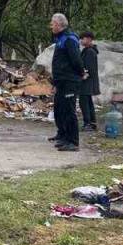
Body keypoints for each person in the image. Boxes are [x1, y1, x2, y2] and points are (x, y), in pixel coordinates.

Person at [48, 13, 84, 151]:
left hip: (70, 81)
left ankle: (73, 142)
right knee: (60, 109)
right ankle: (63, 136)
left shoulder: (69, 39)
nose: (51, 26)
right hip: (61, 81)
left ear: (58, 24)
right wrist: (55, 82)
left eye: (52, 23)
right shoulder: (60, 39)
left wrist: (81, 73)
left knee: (69, 111)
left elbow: (76, 60)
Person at [79, 31, 100, 131]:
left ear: (88, 39)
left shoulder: (90, 52)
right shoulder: (87, 50)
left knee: (84, 103)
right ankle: (92, 123)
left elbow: (90, 68)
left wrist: (84, 75)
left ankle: (87, 123)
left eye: (82, 38)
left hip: (87, 81)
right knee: (88, 102)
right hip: (87, 81)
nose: (81, 41)